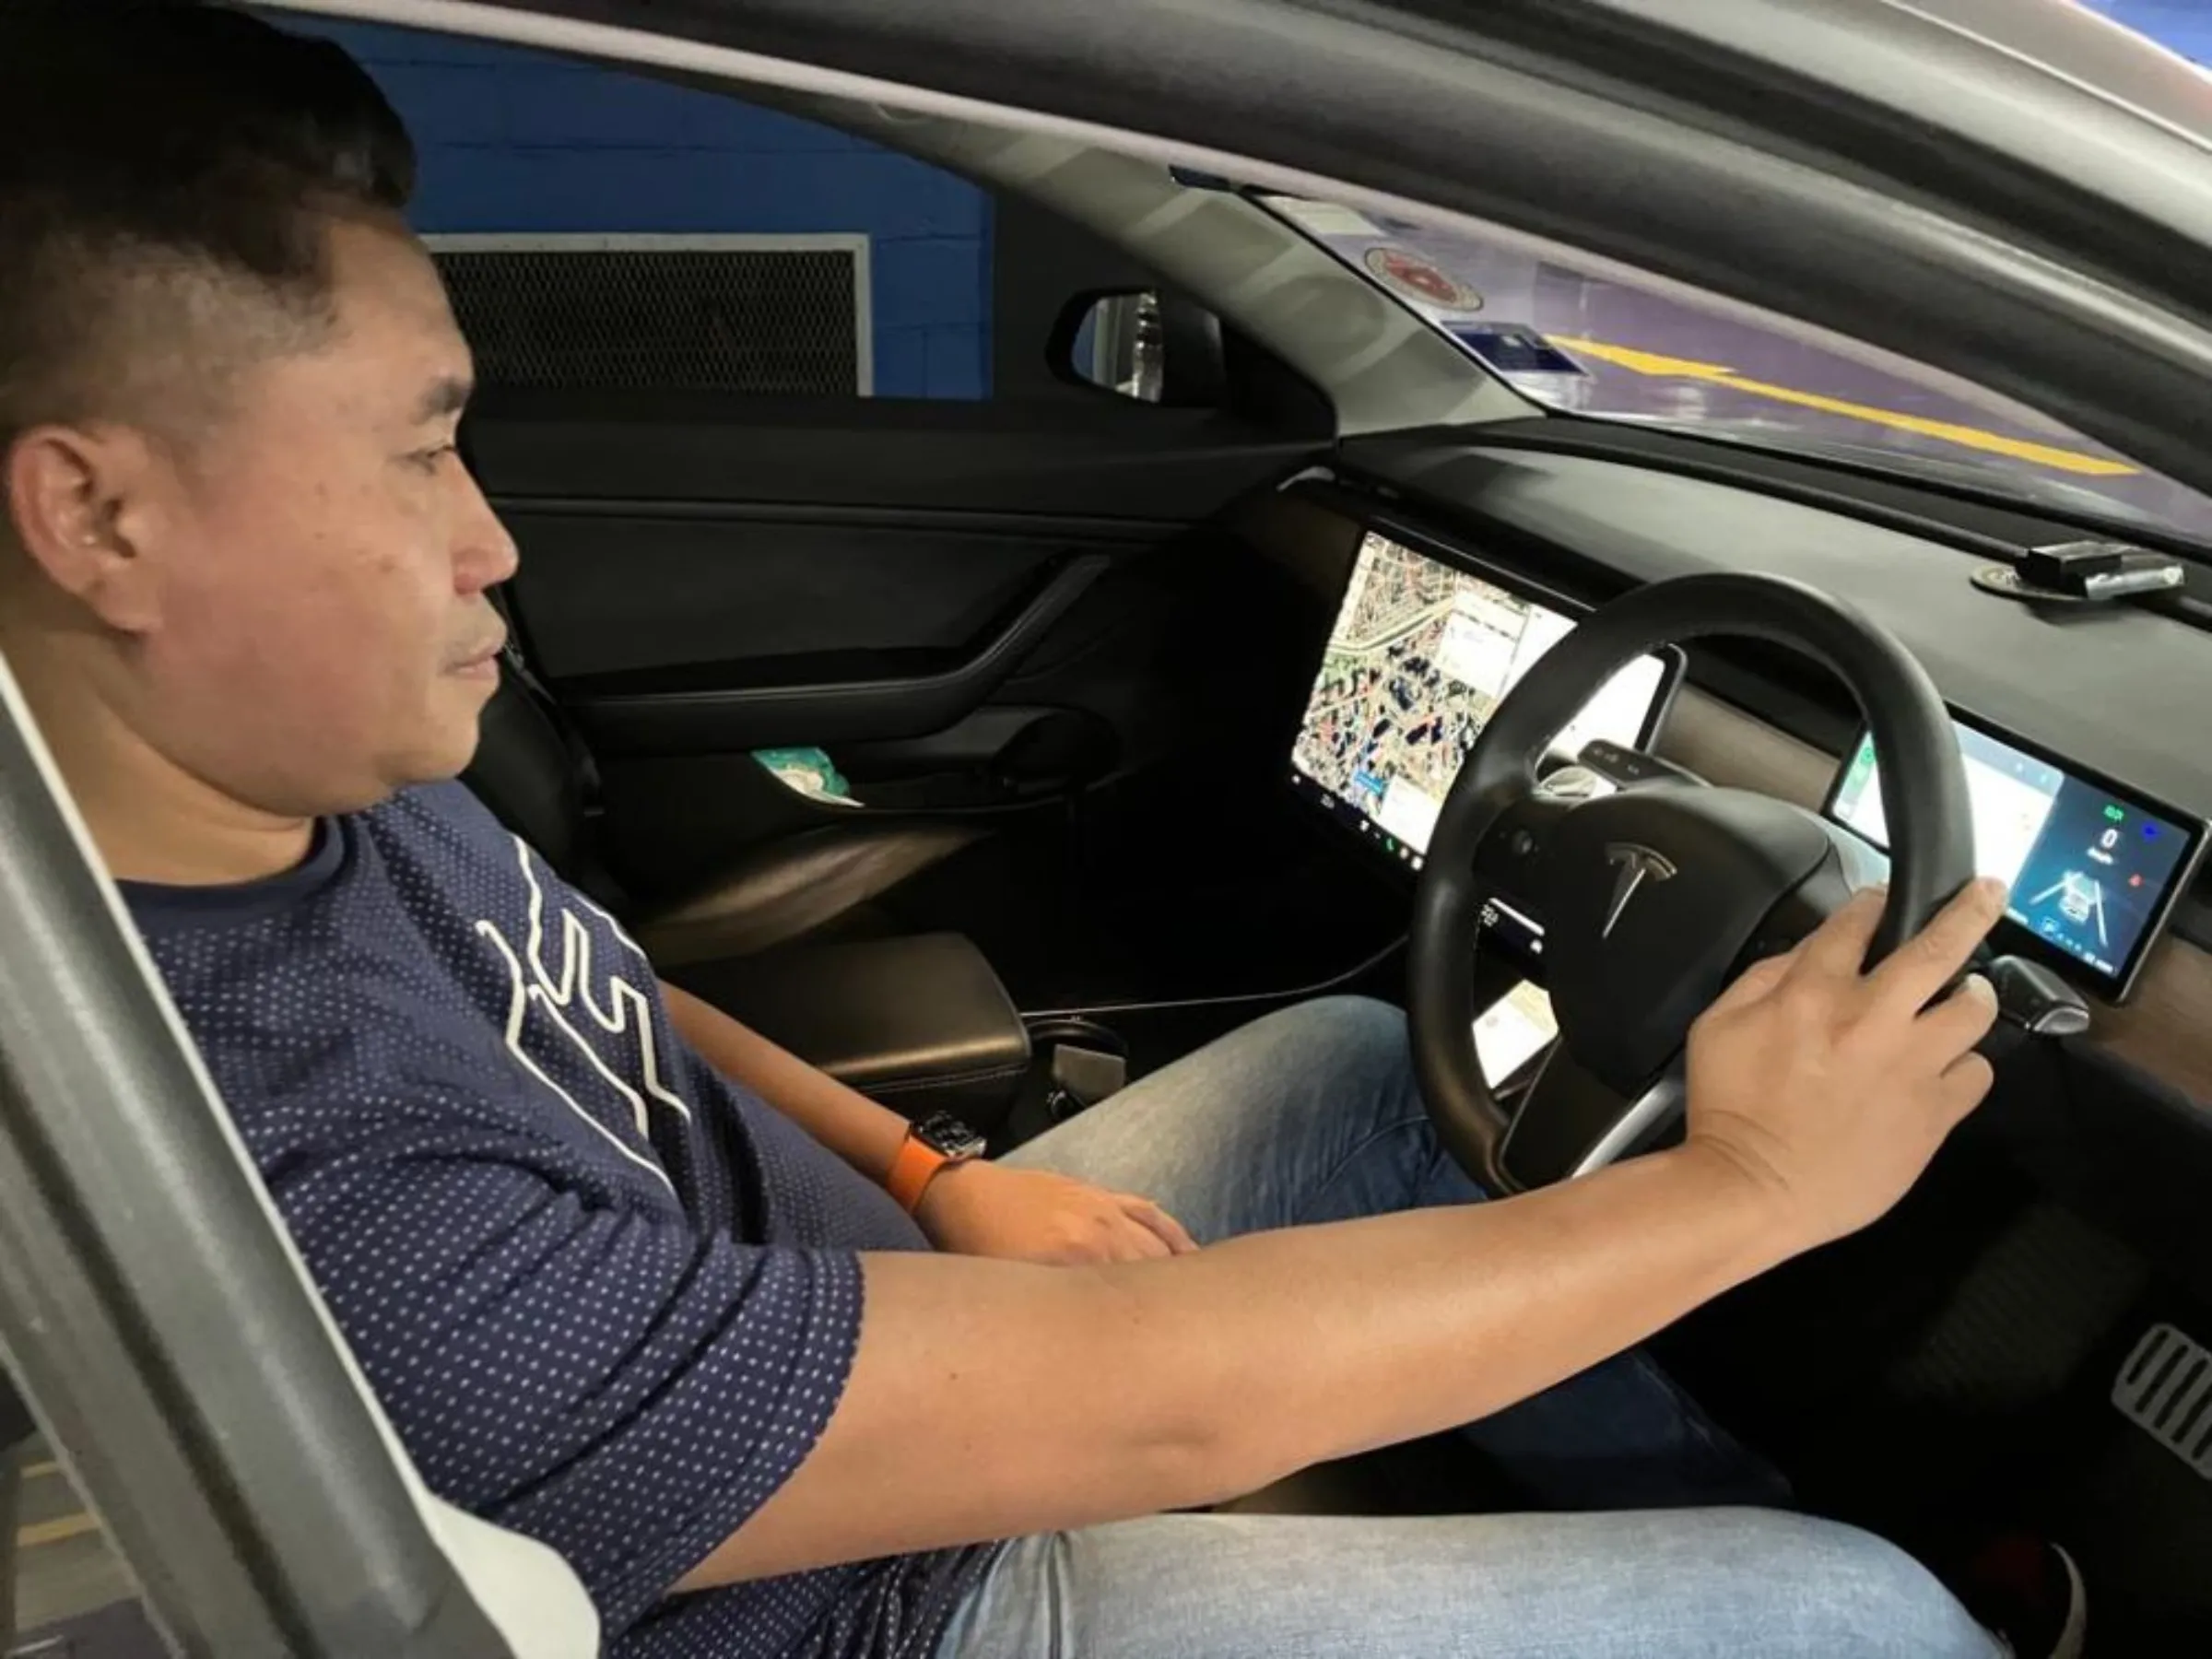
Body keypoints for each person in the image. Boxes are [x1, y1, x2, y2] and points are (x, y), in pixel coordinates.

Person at [0, 6, 2072, 1657]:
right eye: (425, 448)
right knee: (1858, 1622)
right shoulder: (282, 1180)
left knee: (1368, 1074)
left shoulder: (299, 798)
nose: (494, 541)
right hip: (889, 1603)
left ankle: (1673, 1520)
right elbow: (1162, 1404)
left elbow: (614, 999)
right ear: (97, 516)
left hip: (872, 1294)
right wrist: (1765, 1185)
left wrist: (927, 1173)